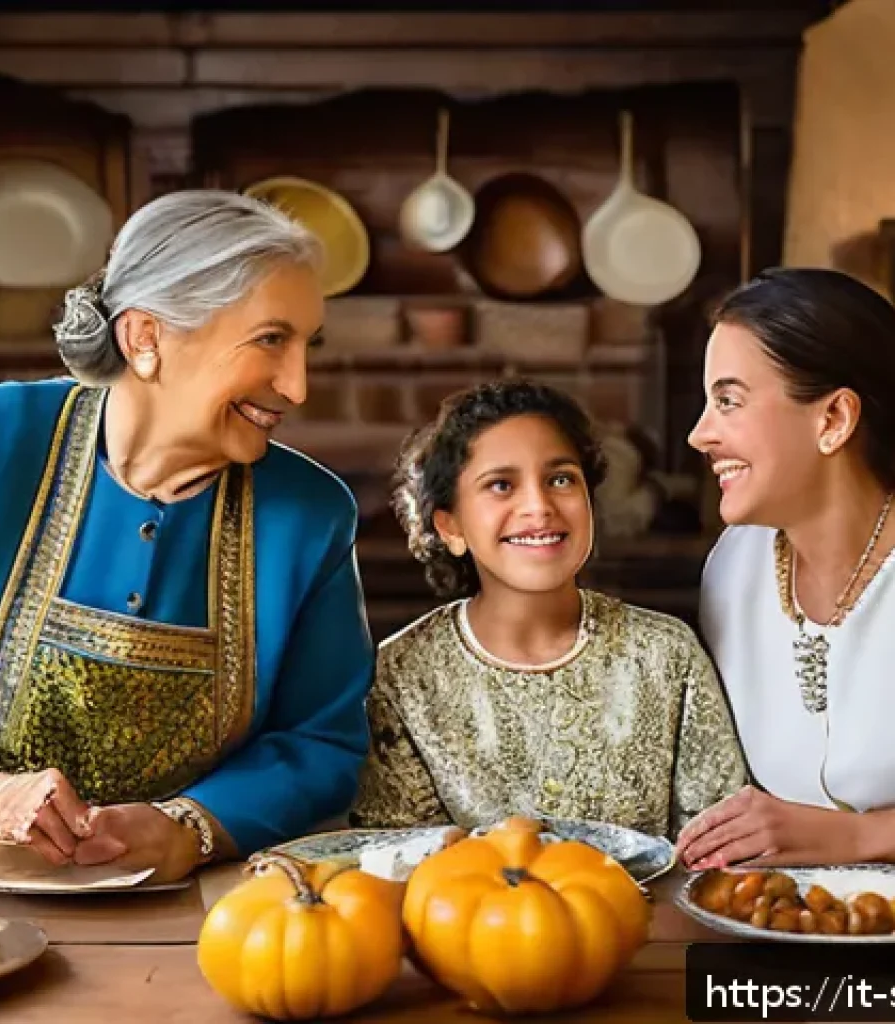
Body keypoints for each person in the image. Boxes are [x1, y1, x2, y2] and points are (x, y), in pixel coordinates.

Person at [0, 190, 374, 881]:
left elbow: (321, 742)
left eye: (307, 345)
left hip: (179, 901)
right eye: (270, 340)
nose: (297, 386)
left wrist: (189, 828)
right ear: (144, 339)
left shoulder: (312, 514)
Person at [350, 379, 745, 839]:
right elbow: (399, 854)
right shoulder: (403, 673)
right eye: (501, 485)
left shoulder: (666, 654)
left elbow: (718, 843)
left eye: (560, 480)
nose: (539, 507)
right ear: (450, 527)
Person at [678, 268, 895, 871]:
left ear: (834, 419)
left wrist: (862, 837)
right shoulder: (733, 568)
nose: (699, 435)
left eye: (728, 401)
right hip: (799, 920)